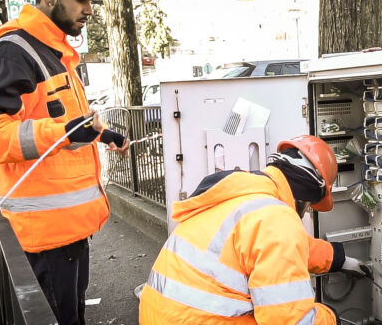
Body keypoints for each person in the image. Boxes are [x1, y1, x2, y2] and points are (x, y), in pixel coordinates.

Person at [0, 0, 128, 323]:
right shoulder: (12, 53)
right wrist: (64, 132)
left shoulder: (55, 54)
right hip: (44, 236)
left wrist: (103, 135)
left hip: (67, 232)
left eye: (90, 0)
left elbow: (66, 123)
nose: (89, 9)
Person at [138, 135, 369, 324]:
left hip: (159, 315)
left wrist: (339, 259)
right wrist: (332, 318)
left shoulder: (244, 198)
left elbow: (280, 249)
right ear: (305, 191)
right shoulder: (276, 218)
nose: (306, 213)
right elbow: (291, 321)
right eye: (309, 207)